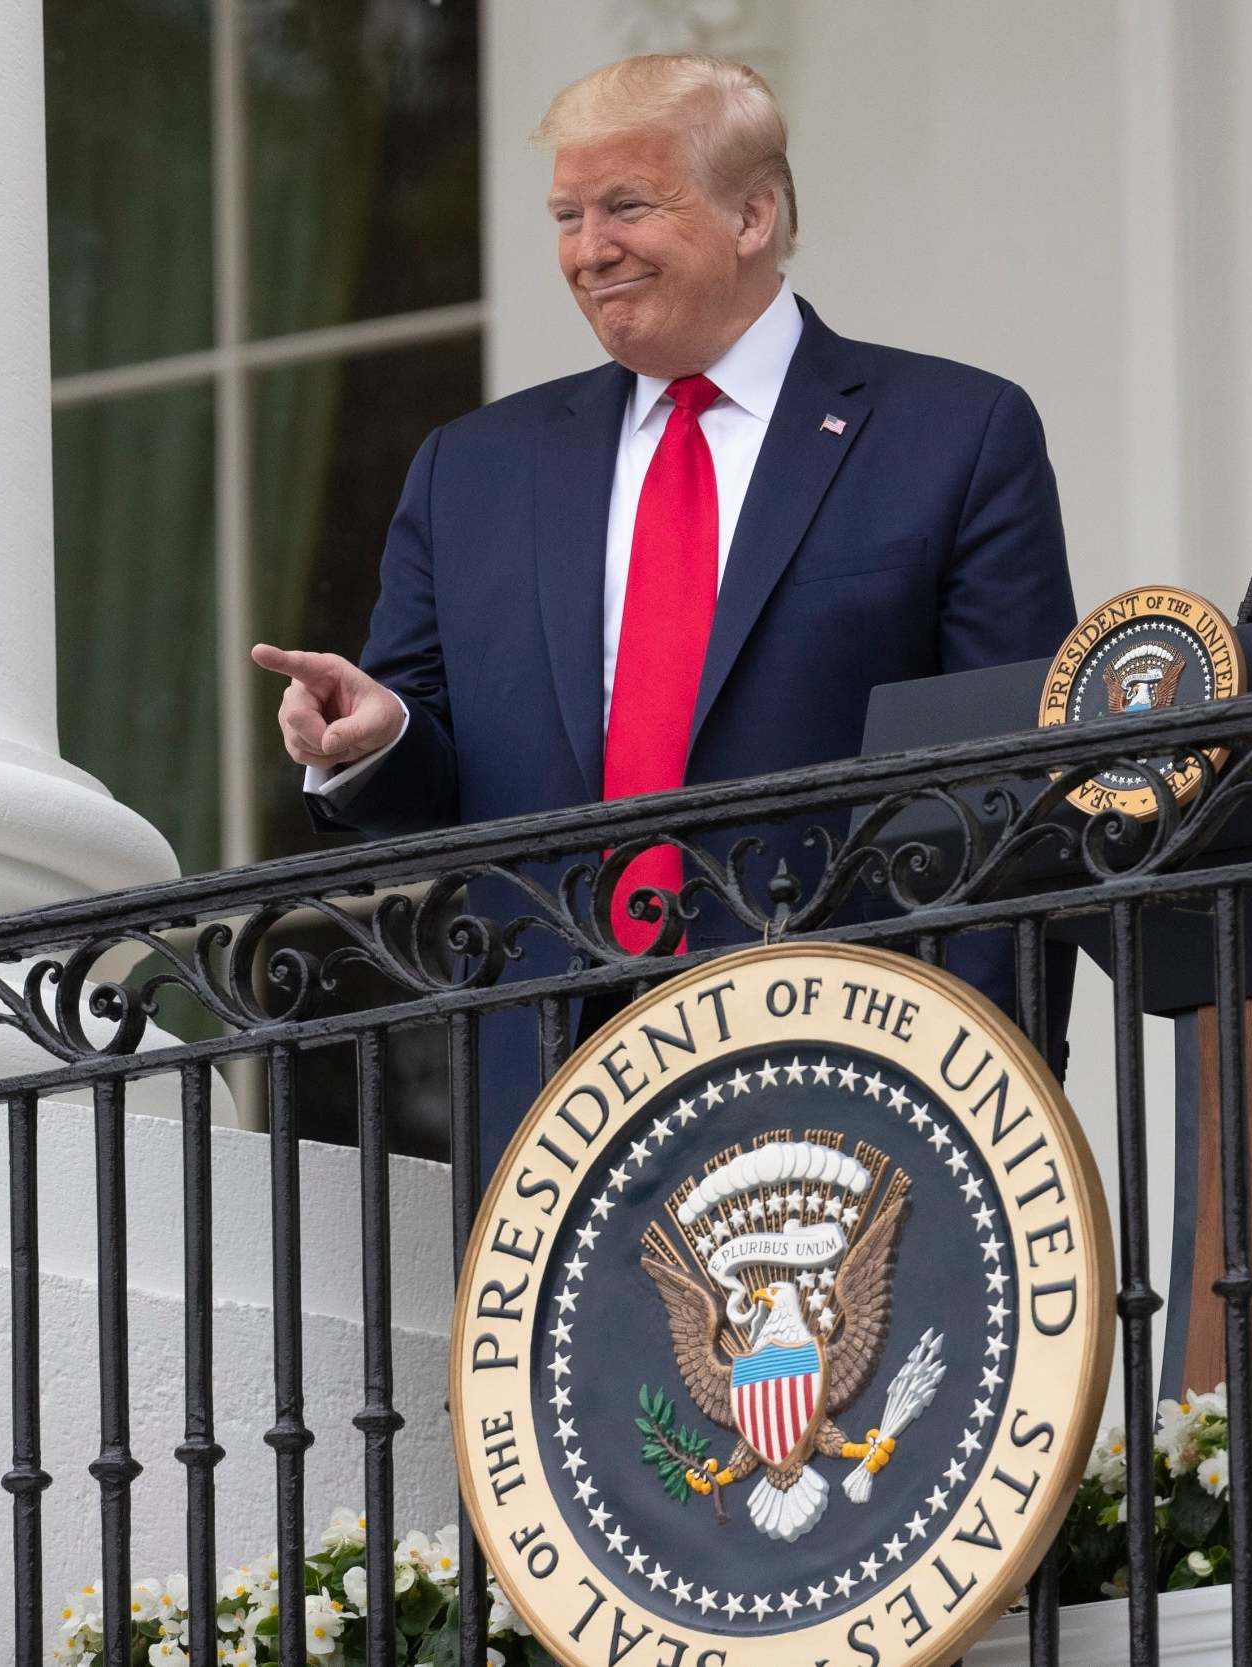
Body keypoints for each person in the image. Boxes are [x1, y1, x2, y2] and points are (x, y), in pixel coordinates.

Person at [253, 54, 1075, 1159]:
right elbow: (434, 787)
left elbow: (1011, 799)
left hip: (850, 1067)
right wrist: (375, 736)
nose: (588, 250)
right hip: (551, 1089)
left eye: (625, 205)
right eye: (567, 215)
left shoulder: (952, 435)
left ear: (752, 214)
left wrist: (989, 1092)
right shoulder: (473, 470)